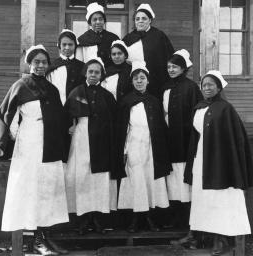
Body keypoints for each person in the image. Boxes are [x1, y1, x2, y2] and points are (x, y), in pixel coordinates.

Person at [0, 45, 69, 255]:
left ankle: (44, 236)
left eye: (44, 62)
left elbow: (59, 117)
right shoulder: (20, 85)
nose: (40, 66)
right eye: (36, 62)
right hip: (29, 145)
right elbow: (6, 115)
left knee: (47, 189)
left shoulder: (52, 89)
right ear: (30, 64)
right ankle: (33, 240)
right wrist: (16, 134)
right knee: (29, 189)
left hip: (50, 145)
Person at [184, 70, 253, 255]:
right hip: (201, 159)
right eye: (204, 85)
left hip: (219, 162)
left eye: (210, 85)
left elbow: (235, 139)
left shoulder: (225, 109)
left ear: (218, 87)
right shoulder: (199, 107)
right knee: (202, 198)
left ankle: (221, 240)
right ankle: (199, 235)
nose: (206, 88)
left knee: (219, 198)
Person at [116, 61, 172, 233]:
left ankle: (149, 218)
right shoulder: (126, 101)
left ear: (148, 81)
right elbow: (122, 128)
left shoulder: (154, 102)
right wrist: (124, 150)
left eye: (142, 78)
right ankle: (134, 219)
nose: (139, 81)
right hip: (133, 145)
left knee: (150, 181)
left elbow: (160, 129)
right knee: (136, 181)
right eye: (136, 79)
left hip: (151, 147)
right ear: (132, 81)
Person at [64, 57, 117, 235]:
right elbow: (66, 116)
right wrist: (70, 125)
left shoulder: (108, 96)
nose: (93, 75)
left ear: (102, 75)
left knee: (99, 180)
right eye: (90, 72)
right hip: (81, 140)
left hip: (101, 142)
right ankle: (83, 219)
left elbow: (113, 122)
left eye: (97, 72)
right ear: (85, 73)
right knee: (82, 179)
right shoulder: (76, 92)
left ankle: (98, 219)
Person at [163, 49, 203, 228]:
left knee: (184, 178)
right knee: (172, 179)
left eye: (175, 67)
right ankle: (175, 216)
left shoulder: (191, 87)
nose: (171, 70)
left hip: (186, 140)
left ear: (183, 68)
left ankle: (187, 219)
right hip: (169, 140)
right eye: (169, 67)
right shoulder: (165, 87)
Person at [123, 3, 174, 99]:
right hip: (134, 80)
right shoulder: (129, 38)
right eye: (137, 19)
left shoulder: (158, 36)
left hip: (155, 81)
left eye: (144, 18)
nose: (140, 21)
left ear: (150, 20)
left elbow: (169, 57)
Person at [46, 29, 85, 105]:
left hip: (76, 107)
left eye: (70, 44)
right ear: (59, 46)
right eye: (64, 44)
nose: (67, 48)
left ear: (75, 46)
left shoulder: (82, 66)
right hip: (57, 106)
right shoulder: (53, 67)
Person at [76, 2, 119, 67]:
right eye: (95, 20)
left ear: (104, 21)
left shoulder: (113, 38)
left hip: (109, 74)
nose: (98, 22)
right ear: (90, 22)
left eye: (100, 19)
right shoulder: (82, 39)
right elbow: (79, 62)